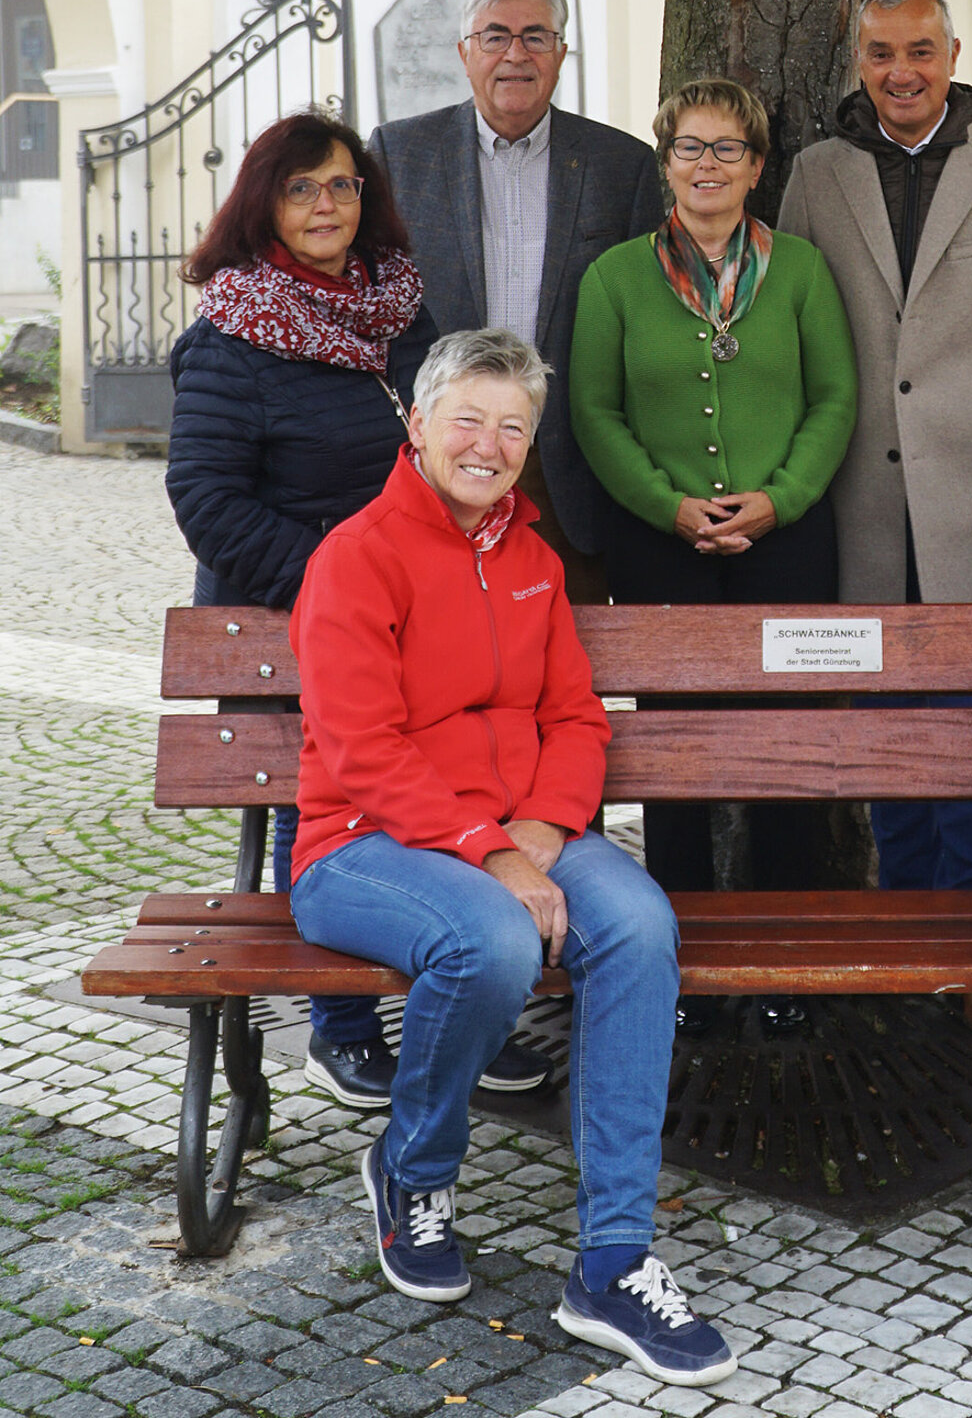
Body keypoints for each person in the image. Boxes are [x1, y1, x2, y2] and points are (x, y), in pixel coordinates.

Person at [288, 327, 736, 1386]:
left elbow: (578, 717)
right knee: (490, 941)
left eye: (513, 427)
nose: (488, 446)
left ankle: (616, 1258)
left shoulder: (531, 559)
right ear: (418, 425)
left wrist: (539, 826)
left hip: (515, 832)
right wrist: (493, 850)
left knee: (637, 924)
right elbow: (362, 748)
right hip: (365, 843)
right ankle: (414, 1166)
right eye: (469, 420)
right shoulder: (357, 553)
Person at [778, 0, 972, 1041]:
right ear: (857, 60)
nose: (901, 73)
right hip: (855, 487)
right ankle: (910, 933)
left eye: (920, 50)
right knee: (880, 722)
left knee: (967, 720)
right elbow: (794, 333)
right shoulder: (816, 174)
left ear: (954, 50)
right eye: (879, 53)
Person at [165, 107, 471, 1110]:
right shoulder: (234, 330)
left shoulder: (397, 314)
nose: (325, 203)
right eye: (302, 188)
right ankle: (339, 1027)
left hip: (411, 619)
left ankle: (456, 1008)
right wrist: (347, 582)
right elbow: (209, 502)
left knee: (440, 795)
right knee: (333, 812)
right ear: (265, 204)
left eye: (341, 183)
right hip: (290, 625)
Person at [569, 77, 857, 1030]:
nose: (707, 166)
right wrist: (670, 507)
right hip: (662, 548)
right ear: (665, 165)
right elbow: (594, 416)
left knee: (783, 751)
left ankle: (783, 966)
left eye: (726, 149)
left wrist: (779, 501)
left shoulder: (803, 271)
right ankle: (674, 959)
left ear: (757, 166)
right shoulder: (613, 277)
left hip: (786, 542)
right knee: (673, 756)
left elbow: (834, 403)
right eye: (689, 148)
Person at [369, 0, 663, 602]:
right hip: (444, 463)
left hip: (569, 473)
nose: (515, 54)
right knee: (443, 649)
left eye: (535, 36)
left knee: (569, 658)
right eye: (495, 36)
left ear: (559, 53)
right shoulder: (399, 155)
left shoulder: (623, 167)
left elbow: (642, 327)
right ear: (465, 52)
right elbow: (378, 306)